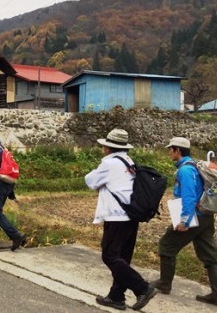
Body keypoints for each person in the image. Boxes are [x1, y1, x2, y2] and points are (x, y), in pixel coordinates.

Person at [85, 128, 157, 311]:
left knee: (109, 255)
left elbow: (90, 181)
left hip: (116, 216)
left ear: (108, 148)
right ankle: (116, 296)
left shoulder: (109, 163)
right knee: (123, 257)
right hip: (131, 215)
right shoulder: (128, 161)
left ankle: (143, 288)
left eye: (104, 146)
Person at [152, 137, 217, 307]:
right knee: (210, 256)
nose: (169, 152)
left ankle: (164, 283)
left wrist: (184, 221)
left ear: (178, 151)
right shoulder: (196, 165)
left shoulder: (185, 171)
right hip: (205, 216)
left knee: (166, 245)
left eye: (171, 149)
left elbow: (189, 197)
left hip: (194, 216)